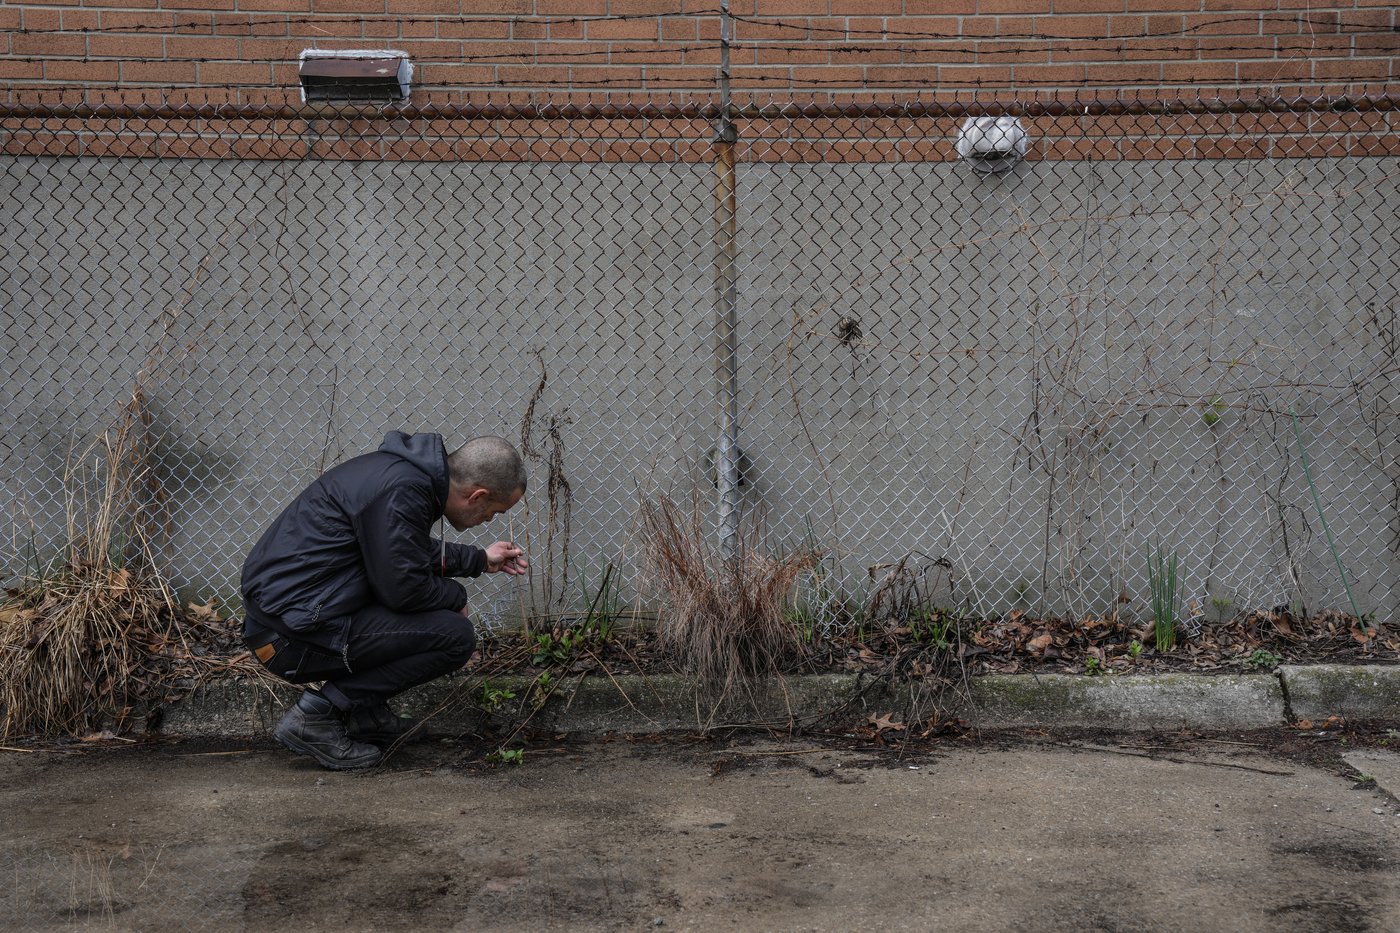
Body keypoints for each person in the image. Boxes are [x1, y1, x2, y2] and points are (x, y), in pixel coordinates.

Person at [240, 432, 527, 770]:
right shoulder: (403, 491)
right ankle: (317, 717)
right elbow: (403, 590)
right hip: (288, 637)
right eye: (493, 511)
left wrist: (479, 559)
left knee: (437, 620)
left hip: (295, 618)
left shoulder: (402, 476)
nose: (489, 520)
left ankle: (363, 712)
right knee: (455, 637)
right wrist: (456, 595)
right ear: (477, 495)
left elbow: (400, 550)